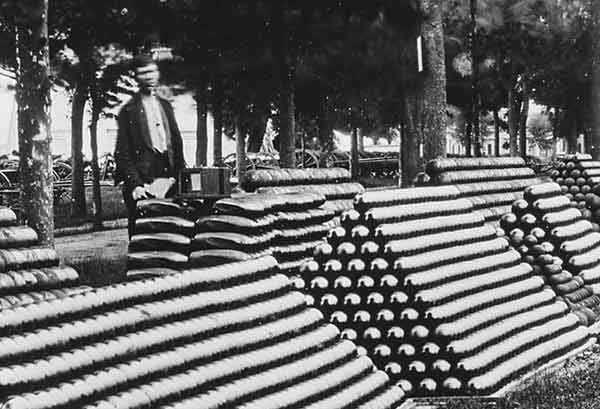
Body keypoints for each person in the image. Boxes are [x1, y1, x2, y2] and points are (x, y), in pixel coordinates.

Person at [114, 54, 185, 237]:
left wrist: (179, 177)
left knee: (172, 232)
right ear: (136, 77)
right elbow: (122, 153)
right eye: (143, 73)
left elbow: (176, 144)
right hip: (143, 179)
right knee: (143, 235)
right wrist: (135, 185)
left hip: (168, 177)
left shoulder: (165, 106)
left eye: (152, 71)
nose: (149, 76)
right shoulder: (128, 111)